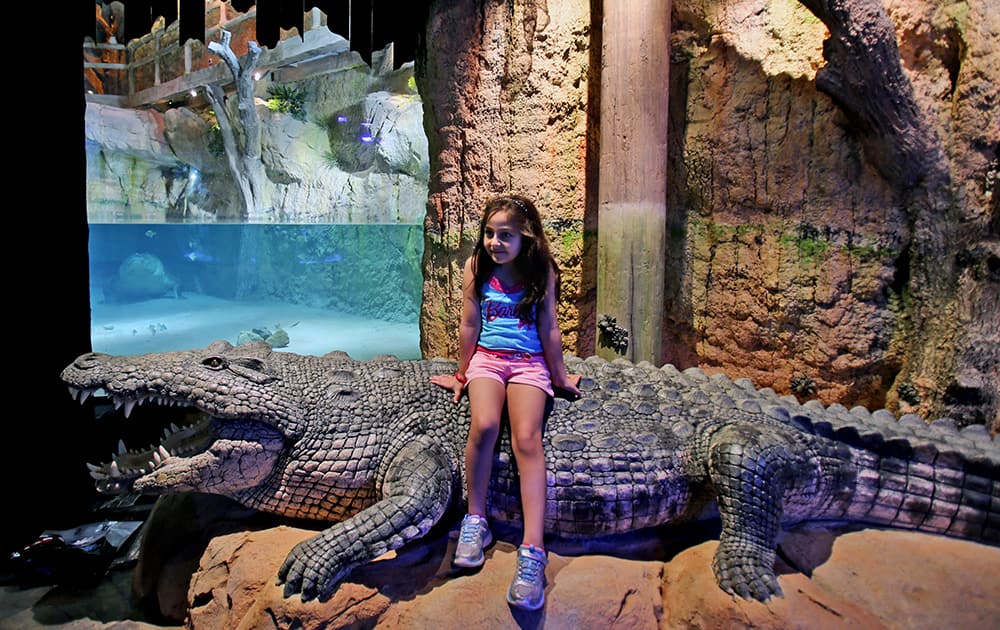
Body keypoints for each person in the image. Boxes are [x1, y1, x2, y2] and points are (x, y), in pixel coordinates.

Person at [430, 194, 581, 611]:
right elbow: (469, 323)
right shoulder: (476, 266)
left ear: (526, 237)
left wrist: (560, 375)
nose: (495, 242)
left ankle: (533, 549)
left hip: (529, 364)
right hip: (487, 362)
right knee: (483, 426)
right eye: (490, 233)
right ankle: (475, 520)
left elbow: (549, 327)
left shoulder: (541, 270)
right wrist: (462, 373)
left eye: (506, 235)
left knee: (528, 439)